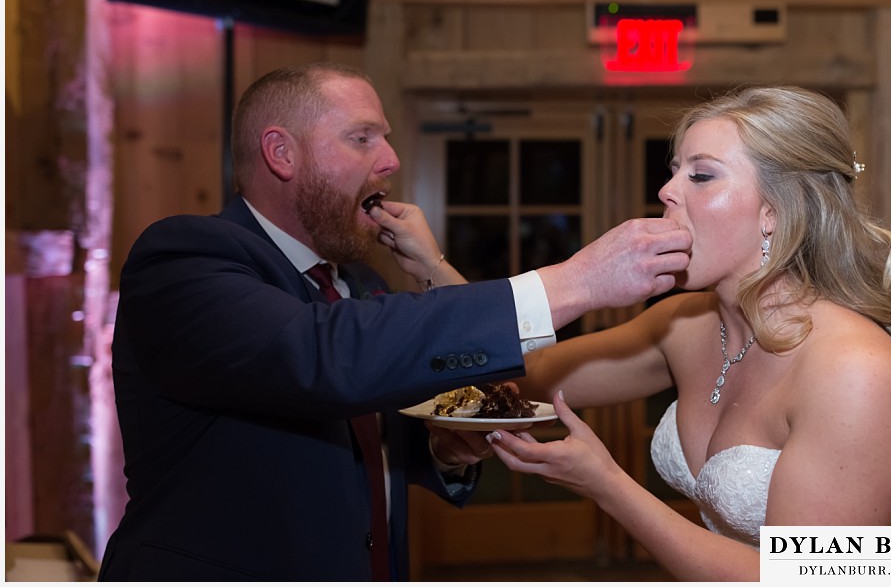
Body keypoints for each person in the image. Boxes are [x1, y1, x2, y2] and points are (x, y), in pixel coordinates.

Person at [97, 61, 693, 581]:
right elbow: (320, 362)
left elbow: (368, 432)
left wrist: (441, 451)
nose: (390, 160)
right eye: (362, 138)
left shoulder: (358, 287)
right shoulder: (185, 260)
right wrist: (575, 281)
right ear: (282, 154)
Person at [483, 85, 891, 581]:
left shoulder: (855, 370)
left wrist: (607, 485)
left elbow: (814, 579)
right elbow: (527, 372)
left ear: (774, 211)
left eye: (701, 175)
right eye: (674, 171)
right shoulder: (684, 324)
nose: (666, 191)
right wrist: (439, 275)